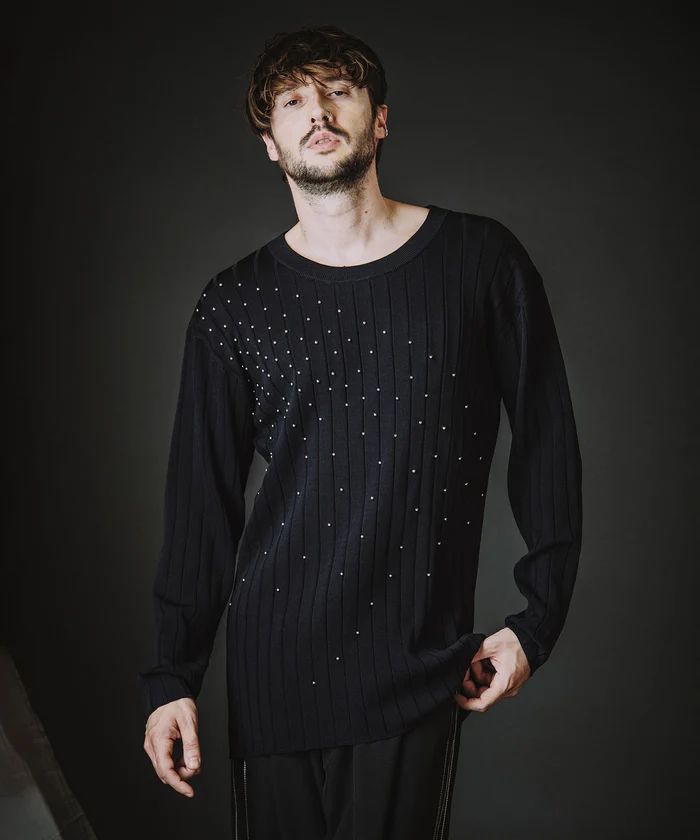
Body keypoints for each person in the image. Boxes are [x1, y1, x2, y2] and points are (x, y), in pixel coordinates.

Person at [139, 23, 583, 840]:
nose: (317, 112)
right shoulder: (233, 305)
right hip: (274, 674)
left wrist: (536, 622)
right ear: (270, 143)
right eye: (292, 101)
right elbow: (201, 506)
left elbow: (549, 443)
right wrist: (172, 677)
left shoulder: (480, 263)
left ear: (379, 119)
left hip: (415, 665)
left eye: (339, 91)